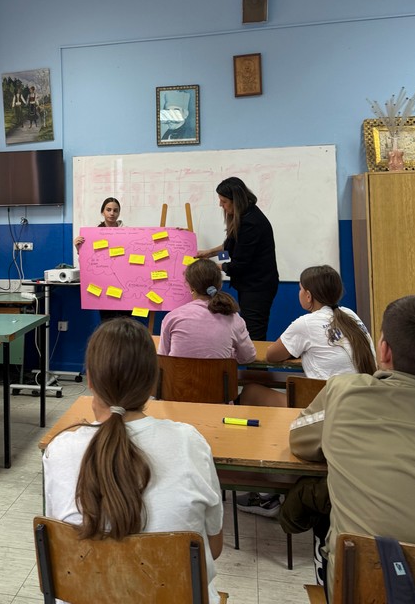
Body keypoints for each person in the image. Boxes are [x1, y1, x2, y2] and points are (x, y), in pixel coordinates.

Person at [43, 318, 223, 604]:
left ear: (90, 380)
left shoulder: (60, 449)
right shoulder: (190, 442)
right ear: (153, 382)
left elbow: (59, 543)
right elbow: (213, 547)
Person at [289, 295, 415, 601]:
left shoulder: (345, 392)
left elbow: (299, 441)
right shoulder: (348, 317)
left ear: (384, 350)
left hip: (359, 586)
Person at [240, 265, 376, 408]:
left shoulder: (305, 323)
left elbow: (271, 355)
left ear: (308, 296)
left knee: (250, 392)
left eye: (300, 289)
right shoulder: (350, 314)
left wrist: (295, 351)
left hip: (331, 407)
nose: (299, 292)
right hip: (365, 400)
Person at [196, 177, 278, 339]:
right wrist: (209, 253)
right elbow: (231, 249)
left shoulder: (250, 224)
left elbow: (239, 264)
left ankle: (256, 357)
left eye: (224, 201)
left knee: (254, 334)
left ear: (236, 201)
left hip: (257, 286)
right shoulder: (245, 214)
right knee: (248, 331)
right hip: (250, 284)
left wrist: (211, 267)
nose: (221, 205)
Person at [158, 258, 256, 362]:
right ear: (220, 285)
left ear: (191, 287)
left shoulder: (172, 317)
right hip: (219, 373)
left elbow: (162, 357)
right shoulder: (233, 318)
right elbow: (248, 357)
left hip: (178, 372)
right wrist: (228, 353)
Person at [74, 197, 124, 321]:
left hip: (124, 285)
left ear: (119, 213)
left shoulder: (127, 232)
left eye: (115, 210)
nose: (112, 213)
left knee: (126, 322)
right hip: (104, 285)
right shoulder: (93, 235)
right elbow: (88, 262)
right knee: (107, 322)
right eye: (108, 210)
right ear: (102, 212)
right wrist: (79, 248)